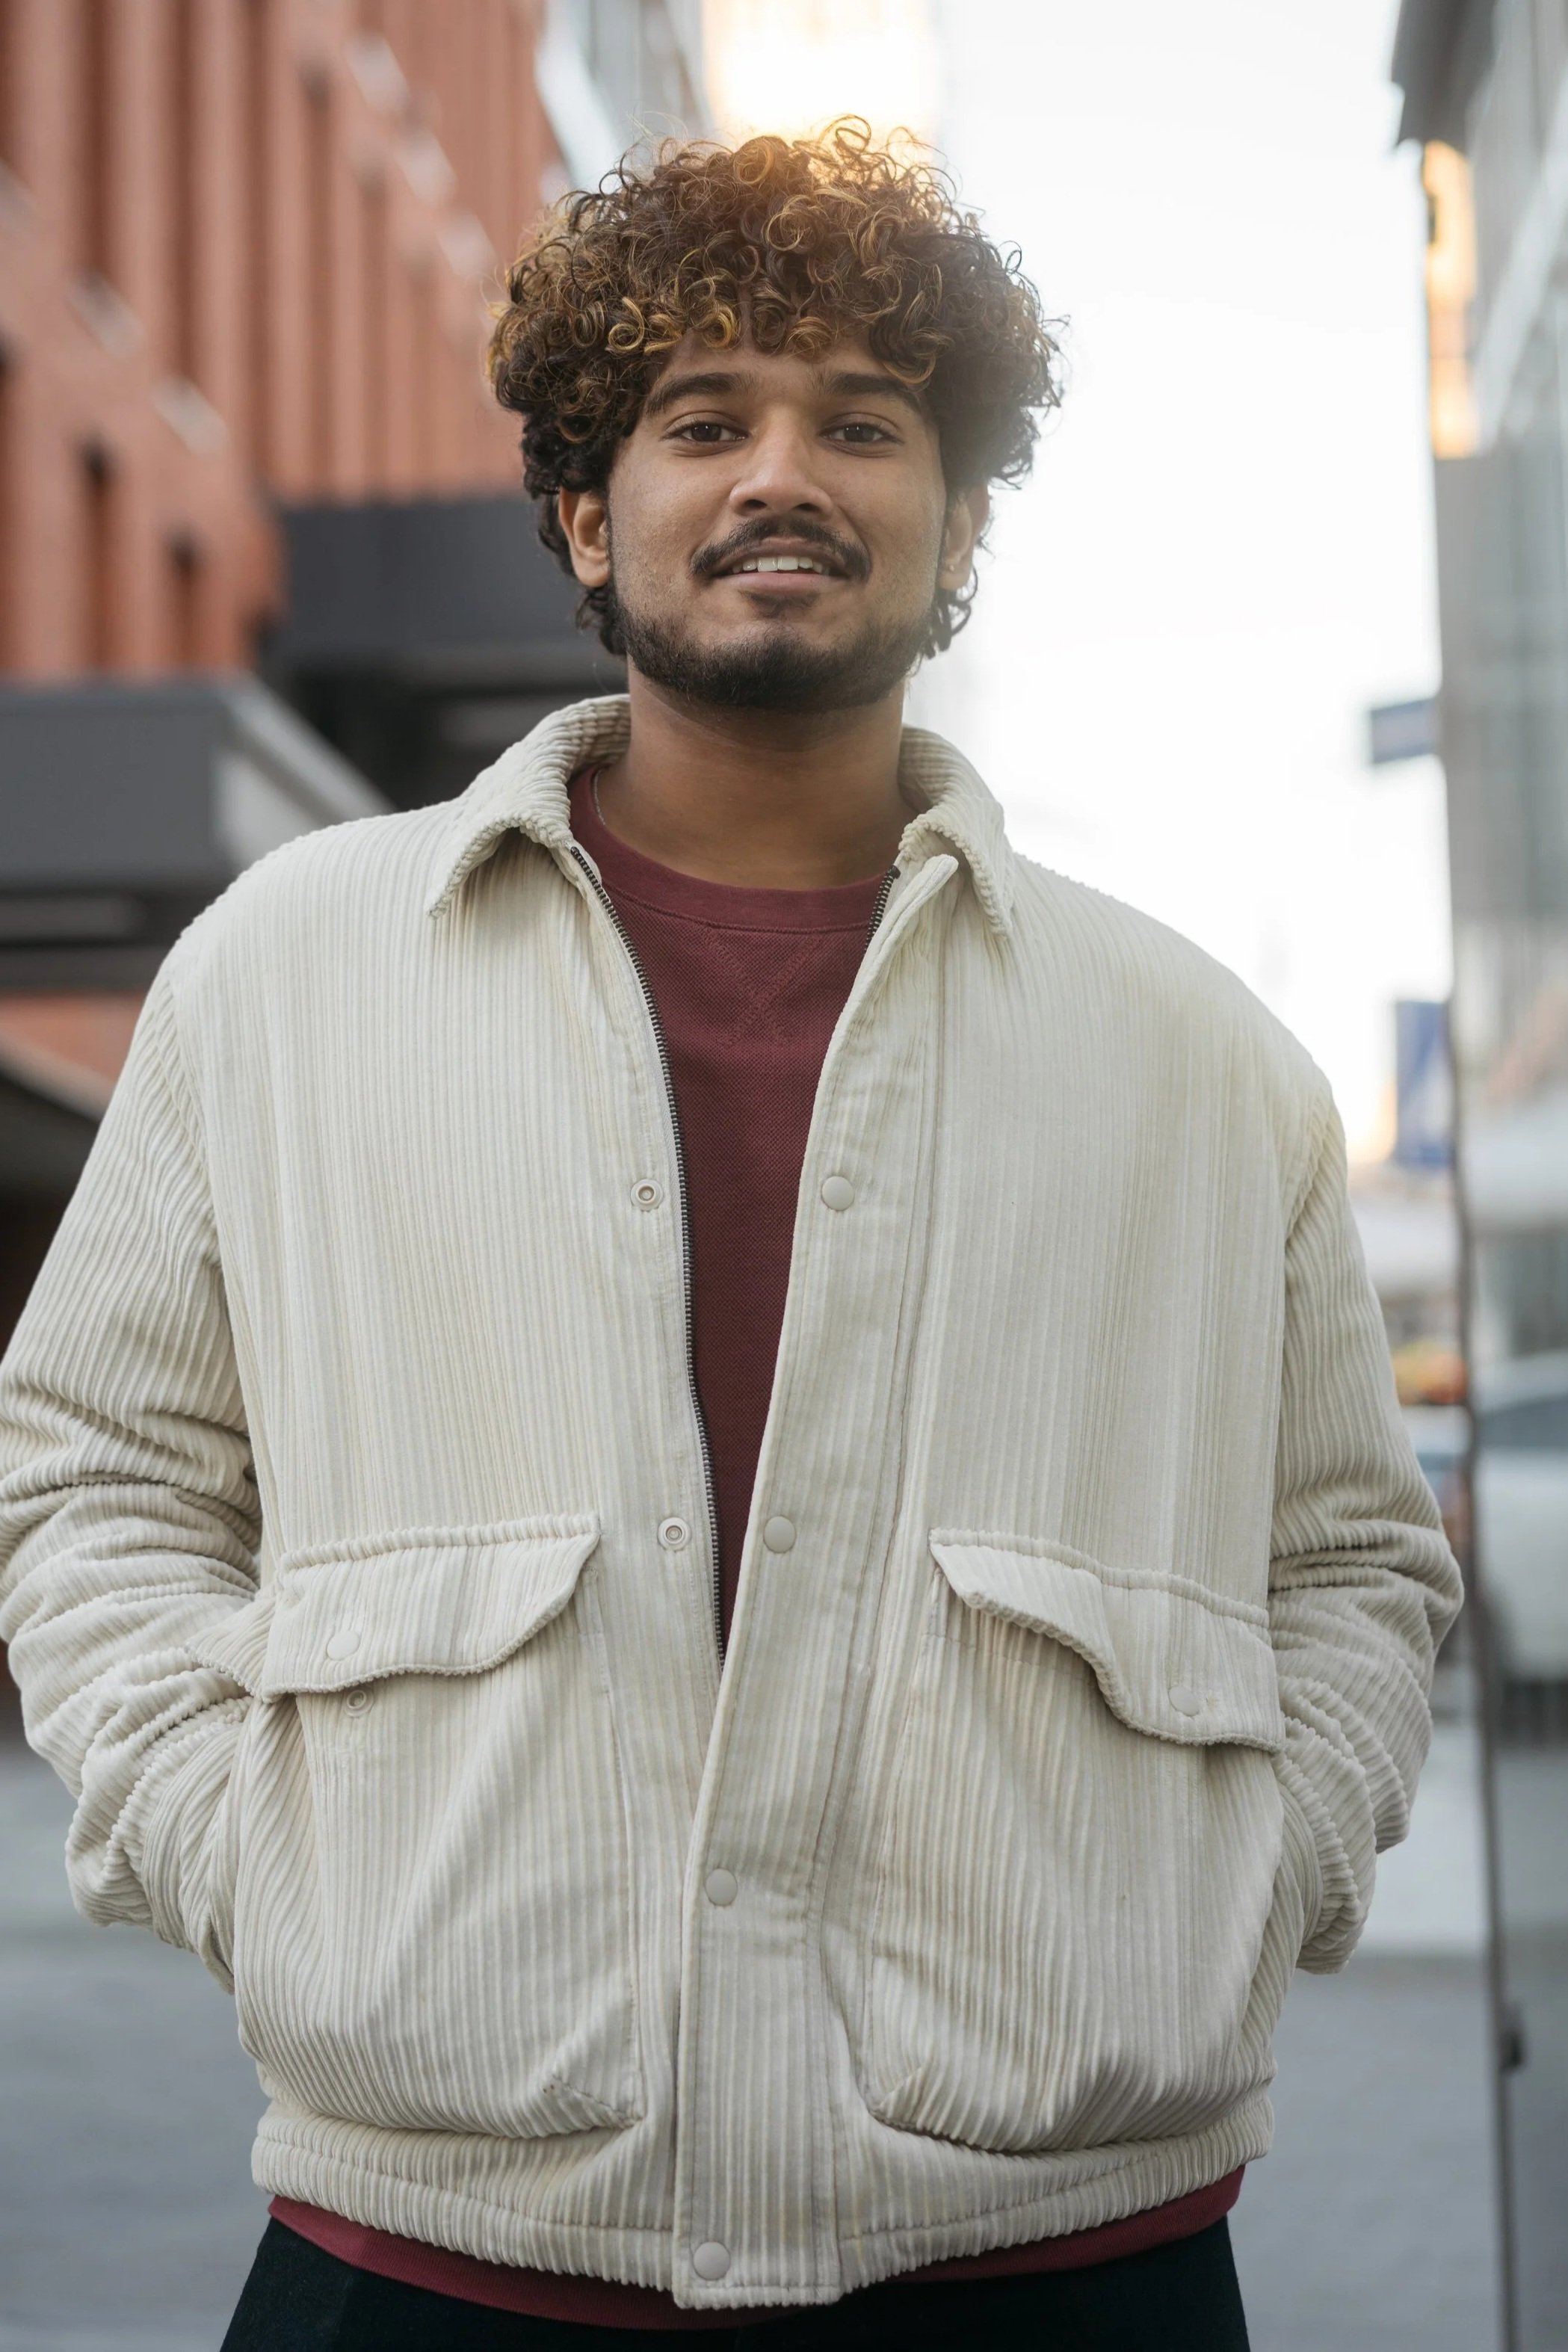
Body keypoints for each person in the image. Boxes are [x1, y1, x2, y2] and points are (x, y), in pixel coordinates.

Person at [0, 124, 1461, 2351]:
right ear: (590, 513)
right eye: (703, 421)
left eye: (865, 424)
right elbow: (99, 1475)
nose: (783, 472)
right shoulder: (286, 970)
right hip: (436, 2258)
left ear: (958, 526)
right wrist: (260, 1860)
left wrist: (1246, 1880)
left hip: (1069, 2265)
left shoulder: (1199, 1055)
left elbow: (1351, 1564)